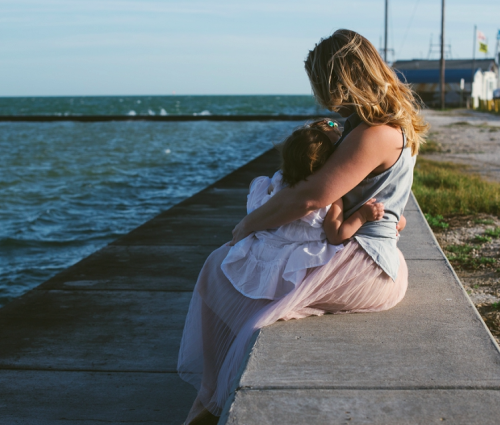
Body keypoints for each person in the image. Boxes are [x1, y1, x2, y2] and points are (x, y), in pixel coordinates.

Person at [177, 29, 428, 425]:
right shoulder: (375, 125)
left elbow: (309, 197)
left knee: (222, 268)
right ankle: (212, 395)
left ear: (338, 79)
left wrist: (247, 223)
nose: (319, 93)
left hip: (367, 264)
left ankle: (210, 400)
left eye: (320, 82)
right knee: (233, 272)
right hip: (361, 251)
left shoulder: (375, 134)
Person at [222, 118, 386, 302]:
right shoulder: (329, 198)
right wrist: (362, 215)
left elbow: (259, 204)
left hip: (265, 253)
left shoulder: (277, 181)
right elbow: (337, 235)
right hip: (298, 264)